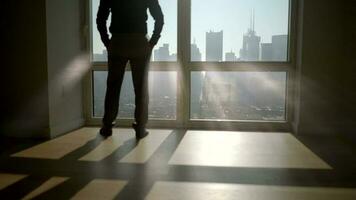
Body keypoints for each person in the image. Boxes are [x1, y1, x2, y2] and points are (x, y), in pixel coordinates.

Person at [96, 0, 164, 139]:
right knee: (141, 88)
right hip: (139, 42)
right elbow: (159, 18)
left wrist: (107, 41)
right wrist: (152, 41)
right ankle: (140, 127)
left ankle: (107, 126)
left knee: (113, 86)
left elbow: (100, 18)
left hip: (118, 41)